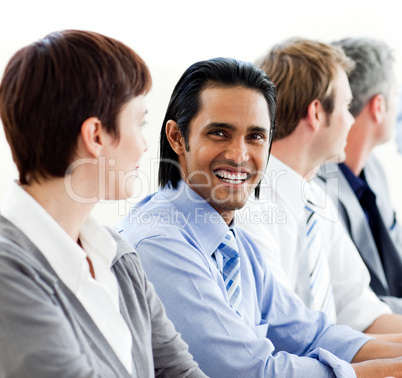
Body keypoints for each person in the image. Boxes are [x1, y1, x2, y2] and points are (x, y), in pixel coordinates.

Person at [117, 56, 402, 377]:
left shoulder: (233, 240)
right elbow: (251, 372)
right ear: (177, 138)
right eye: (220, 133)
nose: (239, 155)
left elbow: (311, 334)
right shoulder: (161, 243)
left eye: (255, 136)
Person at [0, 30, 205, 377]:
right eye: (139, 123)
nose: (144, 145)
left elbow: (178, 369)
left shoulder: (117, 256)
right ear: (96, 136)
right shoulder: (8, 274)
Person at [238, 38, 402, 333]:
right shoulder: (248, 206)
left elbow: (360, 309)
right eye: (348, 107)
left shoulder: (315, 199)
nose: (352, 120)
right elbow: (289, 334)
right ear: (316, 113)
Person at [318, 38, 402, 313]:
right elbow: (350, 304)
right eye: (397, 96)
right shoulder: (316, 188)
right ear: (379, 106)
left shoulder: (373, 168)